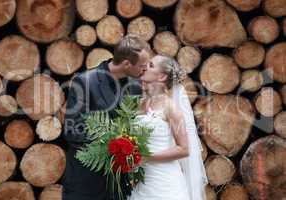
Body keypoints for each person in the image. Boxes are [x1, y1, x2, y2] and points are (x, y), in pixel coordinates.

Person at [62, 35, 152, 200]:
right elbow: (71, 131)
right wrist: (112, 140)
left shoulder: (135, 84)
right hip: (86, 183)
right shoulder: (84, 81)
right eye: (142, 66)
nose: (145, 71)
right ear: (126, 64)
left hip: (119, 185)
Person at [128, 55, 208, 200]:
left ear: (162, 76)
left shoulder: (170, 107)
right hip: (142, 183)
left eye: (151, 65)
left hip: (165, 185)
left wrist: (146, 157)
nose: (145, 67)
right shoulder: (140, 103)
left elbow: (184, 149)